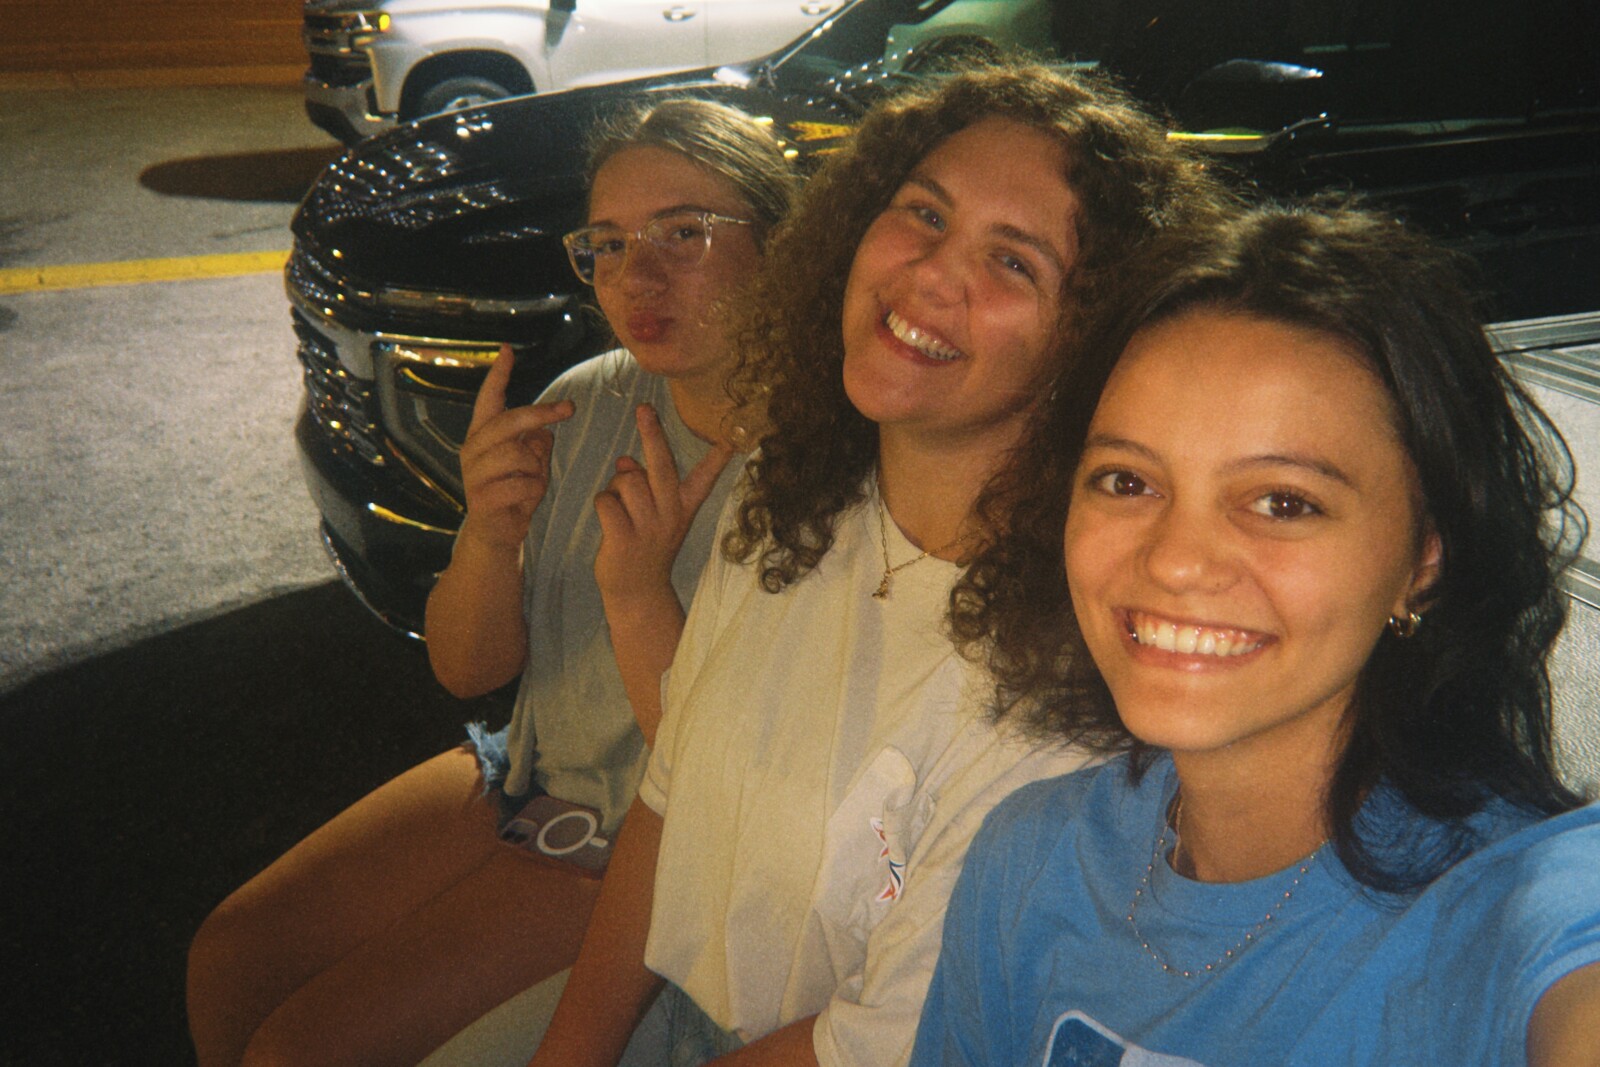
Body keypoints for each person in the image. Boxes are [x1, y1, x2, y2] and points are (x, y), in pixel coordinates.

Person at [467, 63, 1231, 1067]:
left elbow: (864, 1043)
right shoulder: (790, 496)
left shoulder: (1067, 688)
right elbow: (670, 798)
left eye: (1013, 261)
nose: (930, 274)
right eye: (924, 213)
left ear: (1092, 342)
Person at [185, 98, 800, 1067]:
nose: (636, 276)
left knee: (301, 1046)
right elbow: (468, 670)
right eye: (607, 244)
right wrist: (487, 535)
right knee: (229, 958)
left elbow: (737, 783)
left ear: (784, 244)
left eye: (684, 233)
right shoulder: (586, 401)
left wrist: (641, 592)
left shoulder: (827, 467)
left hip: (648, 835)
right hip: (528, 769)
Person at [911, 202, 1600, 1066]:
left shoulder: (1517, 909)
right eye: (1127, 481)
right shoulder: (1030, 861)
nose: (1175, 560)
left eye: (1282, 501)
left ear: (1424, 556)